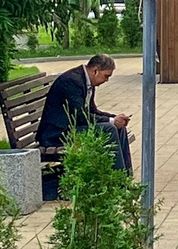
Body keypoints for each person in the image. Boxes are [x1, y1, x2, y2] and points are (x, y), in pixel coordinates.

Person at [36, 54, 131, 197]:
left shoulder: (86, 81)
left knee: (118, 127)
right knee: (110, 129)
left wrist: (114, 118)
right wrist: (111, 122)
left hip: (73, 127)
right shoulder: (71, 81)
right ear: (95, 71)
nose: (107, 80)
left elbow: (92, 111)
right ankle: (119, 186)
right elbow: (80, 116)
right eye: (106, 76)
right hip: (57, 134)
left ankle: (125, 178)